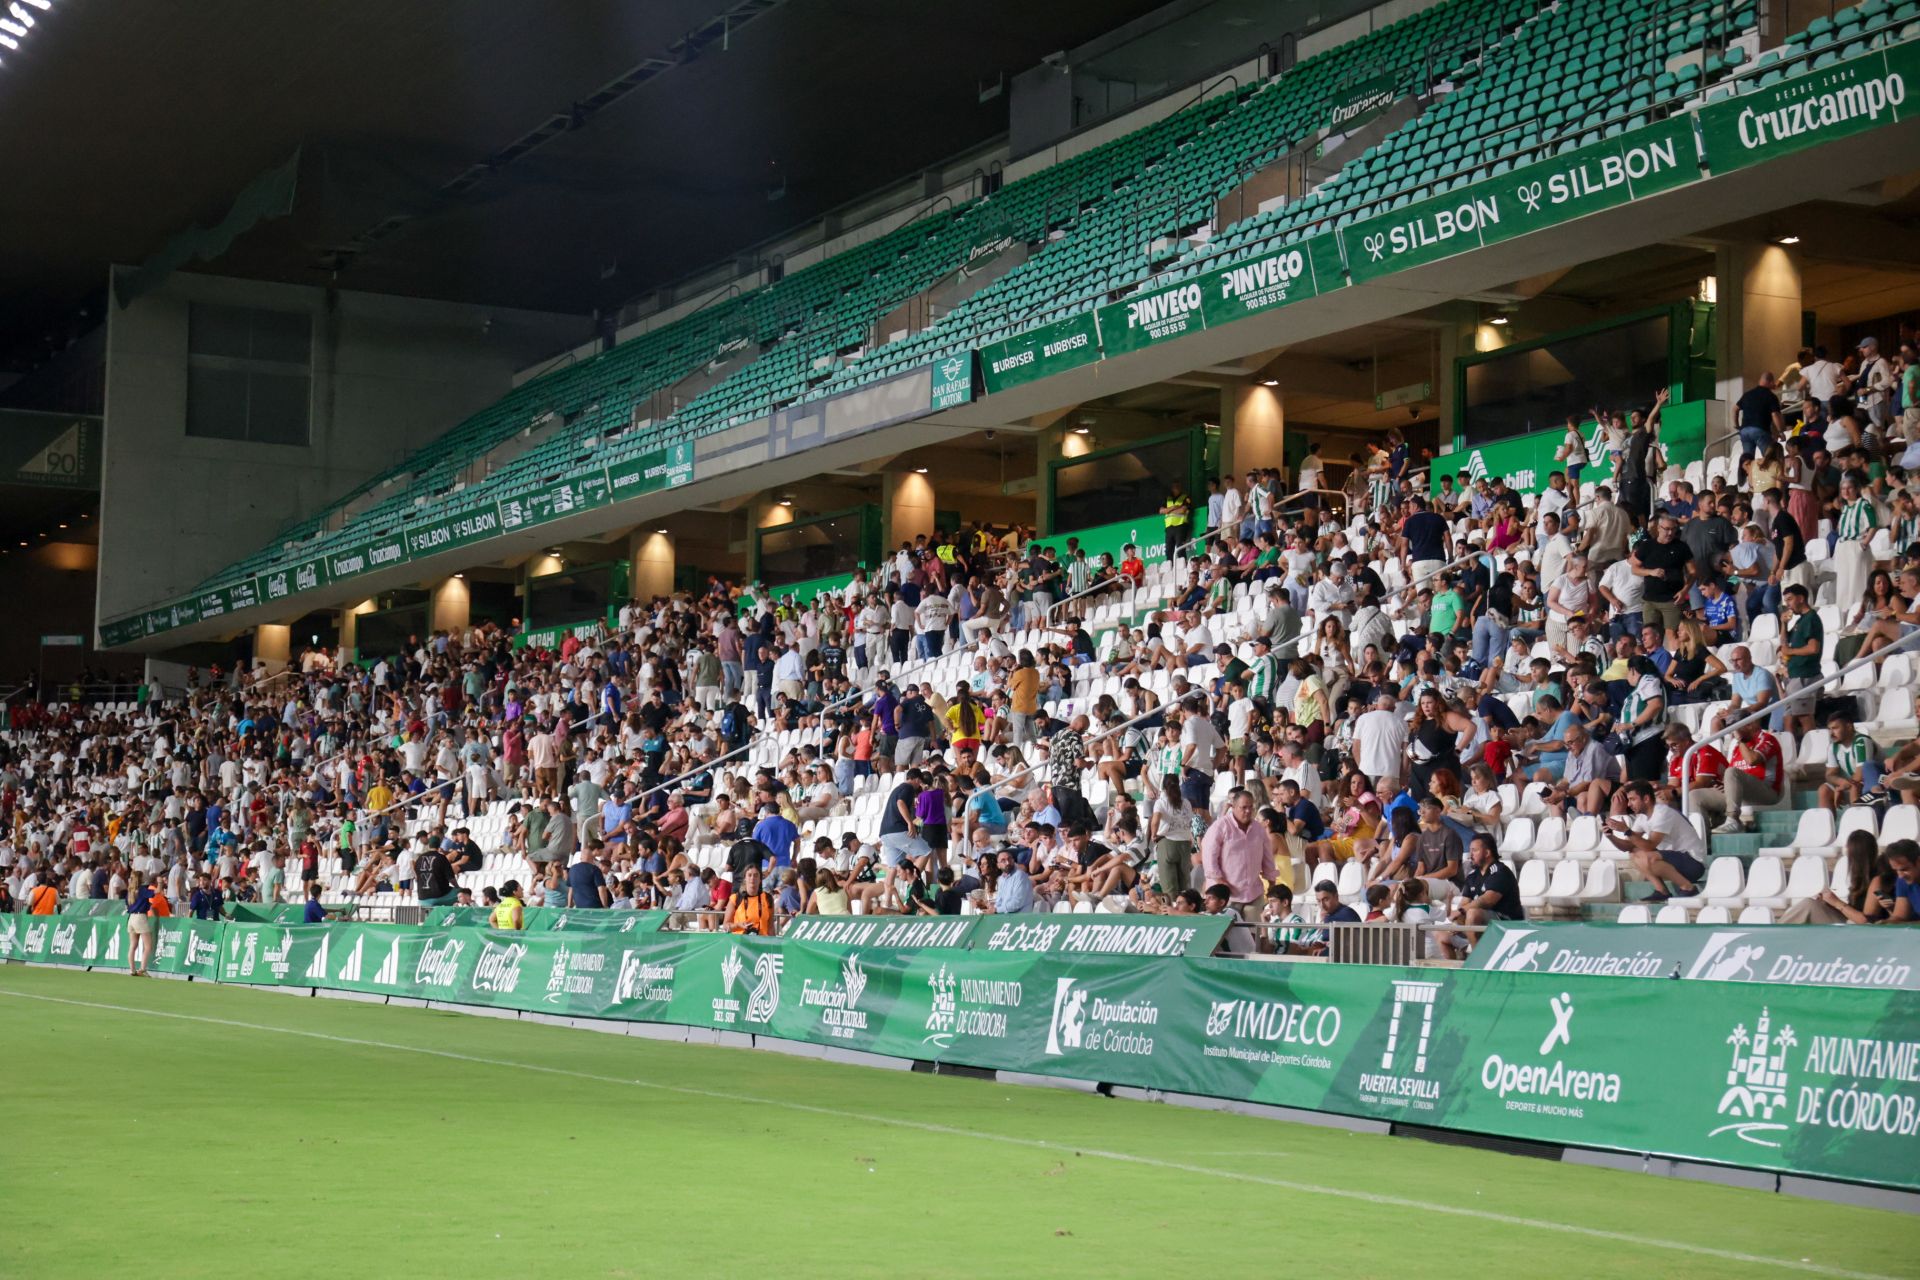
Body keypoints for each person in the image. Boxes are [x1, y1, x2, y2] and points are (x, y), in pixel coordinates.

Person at [1604, 781, 1705, 899]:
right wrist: (1610, 836)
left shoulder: (1663, 813)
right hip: (1676, 859)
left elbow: (1650, 846)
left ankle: (1688, 888)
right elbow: (1628, 846)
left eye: (1632, 799)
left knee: (1649, 857)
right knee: (1634, 853)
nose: (1629, 805)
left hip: (1694, 863)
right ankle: (1662, 891)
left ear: (1646, 798)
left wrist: (1627, 830)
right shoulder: (1642, 817)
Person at [1441, 834, 1521, 959]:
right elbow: (1464, 902)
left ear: (1487, 852)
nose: (1470, 855)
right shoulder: (1472, 875)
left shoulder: (1500, 871)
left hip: (1505, 922)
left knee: (1472, 913)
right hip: (1481, 923)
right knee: (1441, 935)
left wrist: (1461, 911)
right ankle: (1454, 975)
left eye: (1475, 850)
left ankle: (1478, 960)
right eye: (1470, 850)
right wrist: (1457, 921)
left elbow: (1487, 900)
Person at [724, 865, 775, 935]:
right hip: (741, 942)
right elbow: (726, 926)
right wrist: (738, 925)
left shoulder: (767, 898)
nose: (752, 878)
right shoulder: (735, 898)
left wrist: (774, 944)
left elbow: (771, 927)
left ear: (760, 879)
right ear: (745, 878)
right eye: (749, 875)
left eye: (756, 875)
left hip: (762, 942)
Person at [125, 871, 155, 977]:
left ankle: (132, 970)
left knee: (133, 945)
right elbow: (155, 893)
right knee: (148, 946)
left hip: (131, 918)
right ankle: (142, 969)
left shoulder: (130, 891)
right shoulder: (142, 890)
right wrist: (159, 884)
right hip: (140, 917)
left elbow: (128, 906)